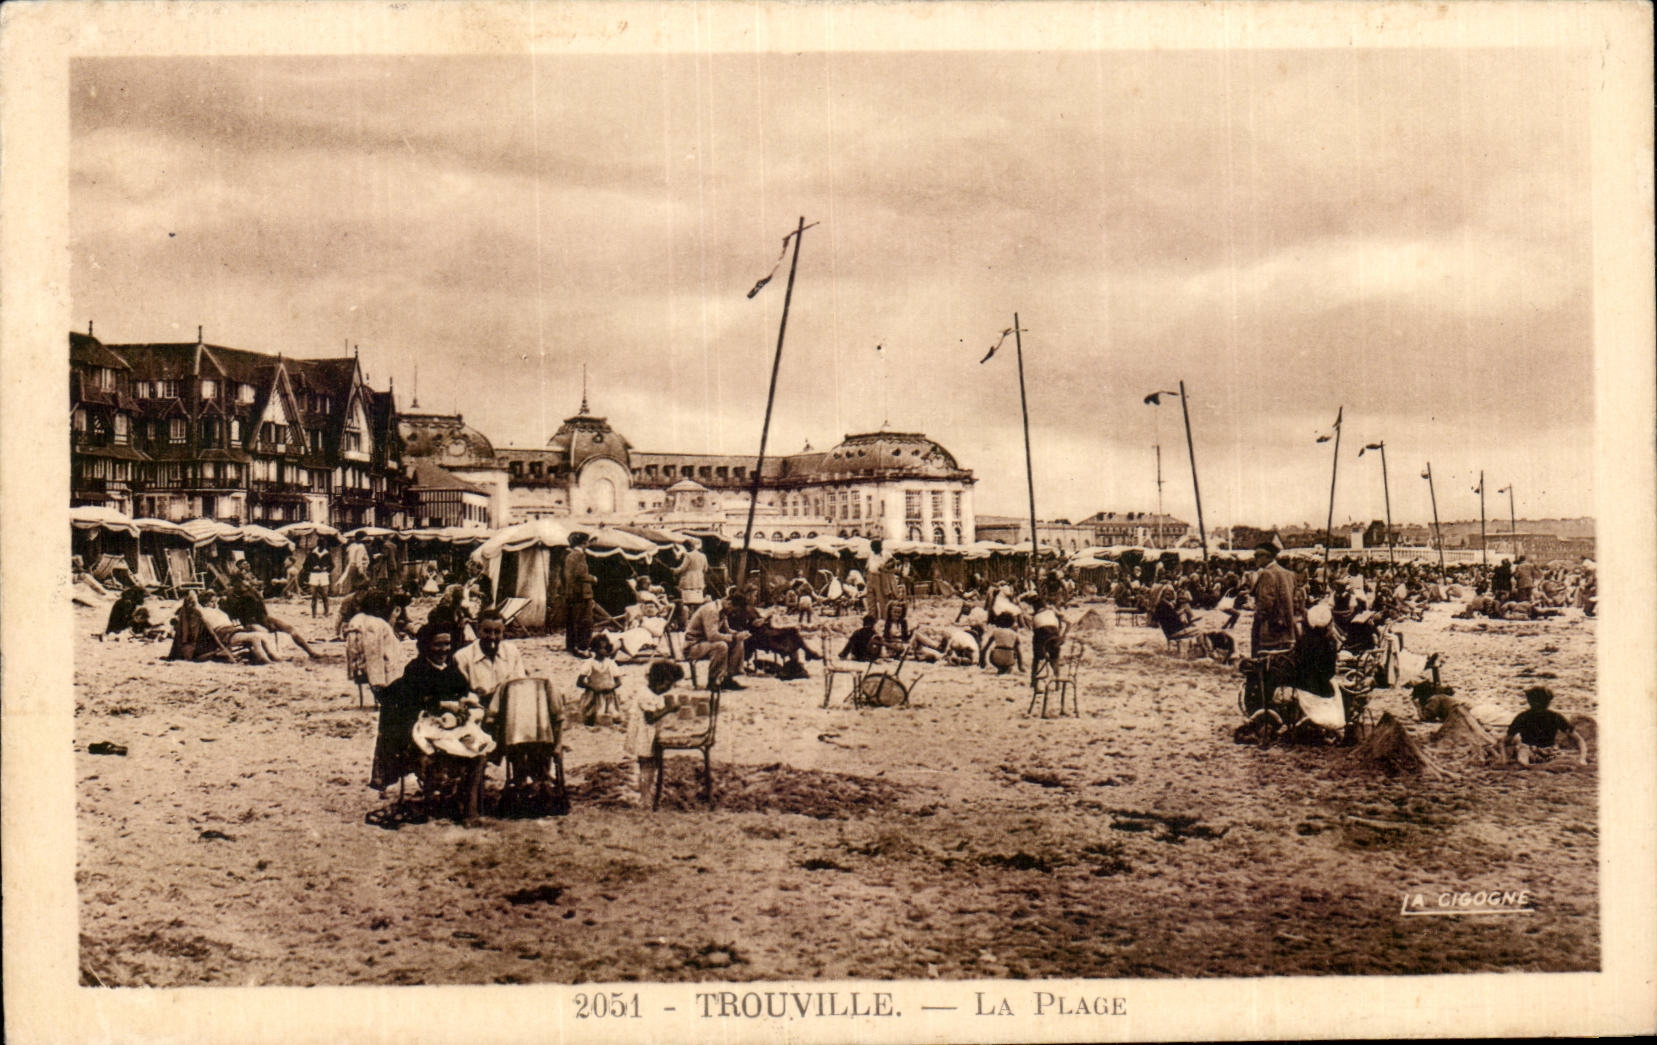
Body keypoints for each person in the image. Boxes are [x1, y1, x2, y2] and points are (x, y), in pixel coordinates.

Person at [372, 623, 479, 800]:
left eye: (447, 644)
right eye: (438, 644)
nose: (443, 649)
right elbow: (413, 703)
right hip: (422, 723)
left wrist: (466, 699)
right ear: (426, 645)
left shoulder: (451, 667)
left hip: (449, 722)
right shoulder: (416, 669)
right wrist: (443, 705)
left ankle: (468, 791)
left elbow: (463, 689)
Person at [626, 660, 686, 807]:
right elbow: (650, 717)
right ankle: (644, 797)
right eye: (666, 685)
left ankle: (647, 793)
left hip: (649, 734)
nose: (667, 689)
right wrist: (669, 709)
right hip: (643, 735)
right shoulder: (645, 695)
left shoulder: (655, 694)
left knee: (651, 765)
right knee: (646, 765)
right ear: (657, 681)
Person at [223, 577, 322, 659]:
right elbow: (234, 614)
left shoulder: (251, 591)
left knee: (289, 629)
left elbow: (262, 607)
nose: (247, 584)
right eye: (244, 582)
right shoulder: (233, 596)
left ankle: (310, 652)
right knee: (264, 633)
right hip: (249, 622)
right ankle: (273, 656)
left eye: (247, 582)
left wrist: (267, 621)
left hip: (263, 618)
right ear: (236, 584)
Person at [453, 609, 526, 708]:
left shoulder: (512, 652)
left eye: (497, 632)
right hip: (478, 709)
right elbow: (462, 694)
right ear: (478, 630)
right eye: (487, 631)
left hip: (509, 707)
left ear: (503, 632)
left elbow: (520, 685)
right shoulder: (463, 657)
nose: (492, 637)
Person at [1503, 686, 1587, 765]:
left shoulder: (1522, 717)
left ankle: (1526, 766)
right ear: (1548, 702)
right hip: (1550, 753)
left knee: (1523, 750)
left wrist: (1503, 758)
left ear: (1529, 701)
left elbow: (1505, 741)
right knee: (1524, 750)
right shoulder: (1555, 717)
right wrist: (1582, 759)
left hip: (1531, 753)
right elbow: (1579, 740)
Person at [344, 589, 402, 705]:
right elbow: (374, 651)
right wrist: (377, 681)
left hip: (358, 663)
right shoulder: (377, 623)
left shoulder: (356, 619)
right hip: (377, 666)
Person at [192, 591, 283, 663]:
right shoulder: (203, 611)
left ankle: (272, 656)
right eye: (212, 602)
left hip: (233, 630)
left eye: (216, 601)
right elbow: (194, 600)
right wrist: (194, 593)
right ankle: (264, 660)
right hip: (225, 633)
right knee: (255, 637)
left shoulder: (217, 610)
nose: (215, 604)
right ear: (205, 603)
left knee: (261, 634)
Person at [684, 592, 750, 691]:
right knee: (721, 646)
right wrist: (734, 637)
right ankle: (713, 681)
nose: (732, 613)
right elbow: (712, 636)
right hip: (693, 646)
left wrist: (738, 634)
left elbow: (727, 631)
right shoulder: (711, 610)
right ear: (729, 603)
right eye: (733, 610)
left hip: (706, 644)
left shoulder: (723, 611)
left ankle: (727, 678)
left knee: (738, 642)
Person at [1249, 542, 1300, 656]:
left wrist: (1259, 617)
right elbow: (1295, 599)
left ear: (1267, 556)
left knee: (1263, 658)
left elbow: (1266, 601)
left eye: (1257, 556)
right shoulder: (1288, 573)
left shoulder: (1267, 573)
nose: (1255, 559)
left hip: (1271, 626)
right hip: (1287, 624)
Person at [575, 634, 623, 725]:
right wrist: (591, 686)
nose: (603, 650)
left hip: (608, 694)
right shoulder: (589, 663)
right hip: (593, 695)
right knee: (592, 716)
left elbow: (619, 681)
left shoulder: (610, 663)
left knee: (614, 715)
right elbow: (579, 682)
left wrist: (611, 687)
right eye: (601, 648)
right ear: (595, 649)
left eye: (606, 648)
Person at [562, 532, 596, 656]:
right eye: (587, 541)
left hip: (572, 593)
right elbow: (580, 575)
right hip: (582, 593)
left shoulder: (569, 555)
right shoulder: (579, 555)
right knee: (586, 621)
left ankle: (571, 646)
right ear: (583, 543)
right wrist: (592, 579)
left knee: (572, 620)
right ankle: (582, 647)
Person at [672, 538, 710, 610]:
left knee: (688, 600)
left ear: (687, 547)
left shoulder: (688, 555)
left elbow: (683, 568)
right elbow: (706, 569)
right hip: (699, 578)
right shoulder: (703, 555)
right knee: (698, 600)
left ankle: (689, 614)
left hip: (689, 579)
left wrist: (674, 570)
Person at [304, 543, 333, 618]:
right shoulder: (312, 554)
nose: (322, 548)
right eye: (321, 547)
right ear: (318, 546)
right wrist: (313, 568)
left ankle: (326, 612)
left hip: (323, 575)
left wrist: (326, 569)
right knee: (314, 595)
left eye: (323, 547)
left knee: (325, 595)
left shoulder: (327, 554)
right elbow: (305, 566)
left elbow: (332, 565)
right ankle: (314, 613)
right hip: (314, 575)